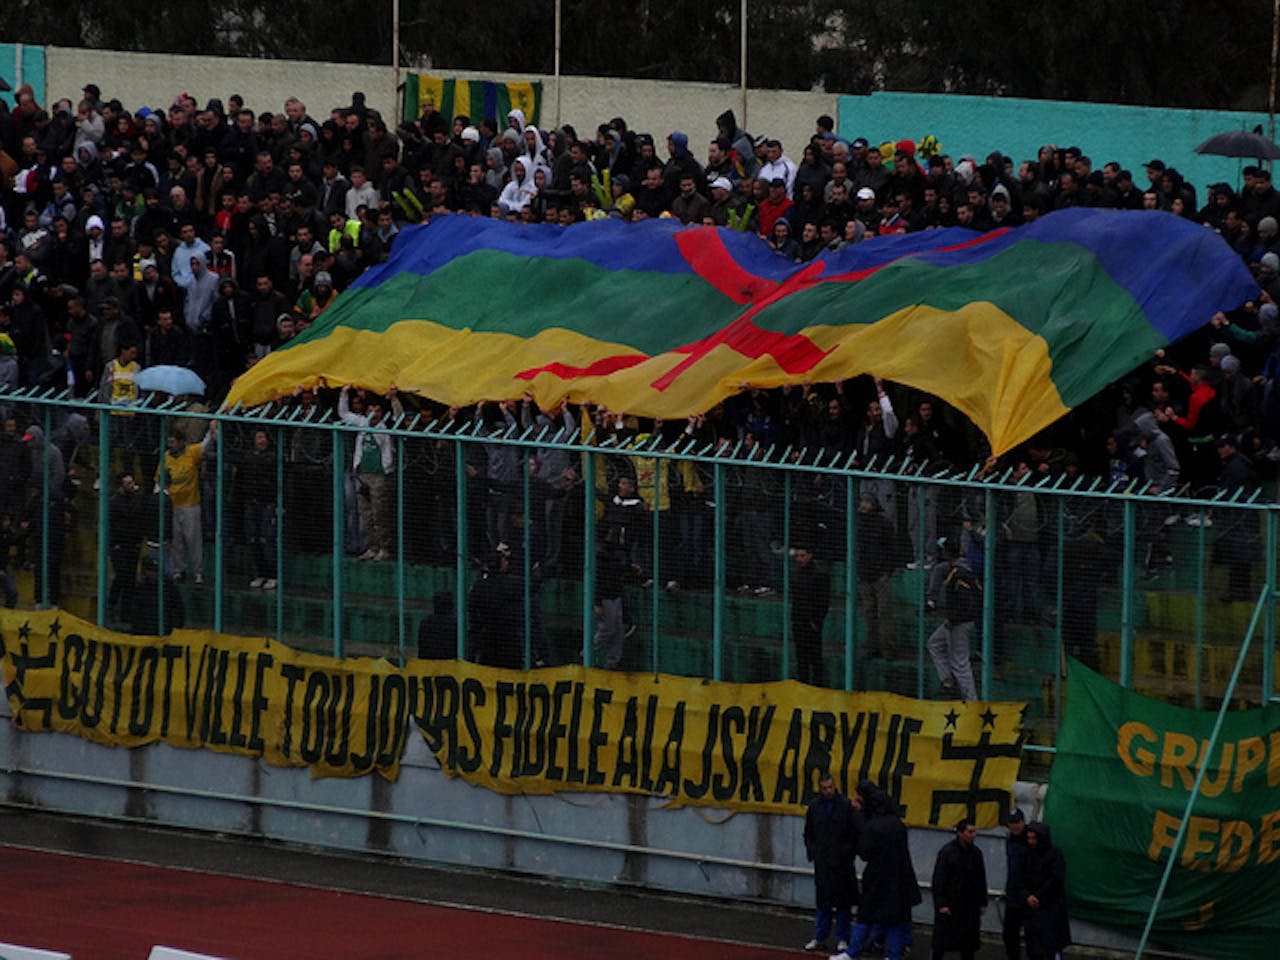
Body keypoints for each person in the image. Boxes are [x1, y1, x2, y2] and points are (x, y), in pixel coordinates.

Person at [831, 780, 922, 960]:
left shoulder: (872, 826)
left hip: (876, 877)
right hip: (898, 877)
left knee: (865, 917)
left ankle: (852, 952)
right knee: (895, 921)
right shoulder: (898, 825)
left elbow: (864, 853)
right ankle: (893, 955)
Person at [803, 772, 860, 953]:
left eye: (831, 787)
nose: (828, 791)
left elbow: (853, 834)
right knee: (823, 902)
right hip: (823, 864)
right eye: (825, 788)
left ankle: (843, 937)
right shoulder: (814, 807)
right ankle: (820, 937)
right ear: (820, 789)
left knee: (843, 903)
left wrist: (846, 854)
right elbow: (809, 833)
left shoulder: (845, 806)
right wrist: (815, 853)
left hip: (842, 864)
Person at [156, 421, 216, 584]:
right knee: (176, 540)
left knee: (193, 539)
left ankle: (198, 571)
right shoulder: (166, 458)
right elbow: (159, 481)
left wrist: (211, 430)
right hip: (173, 505)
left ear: (181, 441)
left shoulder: (191, 452)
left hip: (190, 504)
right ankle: (178, 570)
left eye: (173, 441)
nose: (170, 445)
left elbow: (204, 445)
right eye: (169, 442)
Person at [927, 536, 981, 700]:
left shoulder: (959, 573)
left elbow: (966, 602)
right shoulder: (956, 569)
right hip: (957, 621)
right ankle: (948, 681)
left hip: (960, 622)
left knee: (960, 663)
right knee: (934, 644)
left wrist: (953, 619)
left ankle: (971, 701)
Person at [931, 818, 988, 960]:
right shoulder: (947, 852)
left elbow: (981, 879)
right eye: (970, 832)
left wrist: (982, 902)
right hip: (951, 904)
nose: (973, 835)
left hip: (969, 905)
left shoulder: (976, 853)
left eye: (974, 832)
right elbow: (939, 879)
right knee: (942, 943)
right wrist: (941, 903)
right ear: (960, 833)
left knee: (968, 944)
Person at [1023, 822, 1070, 960]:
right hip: (1033, 909)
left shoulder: (1054, 853)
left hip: (1051, 908)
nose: (1031, 842)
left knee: (1051, 948)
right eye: (1029, 838)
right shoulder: (1026, 853)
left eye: (1034, 838)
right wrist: (1027, 896)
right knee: (1034, 948)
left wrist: (1038, 897)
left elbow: (1056, 879)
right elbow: (1021, 878)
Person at [791, 543, 831, 686]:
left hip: (811, 622)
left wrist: (816, 620)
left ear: (810, 555)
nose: (799, 559)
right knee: (801, 657)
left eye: (802, 556)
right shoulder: (797, 574)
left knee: (814, 657)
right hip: (798, 620)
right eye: (797, 556)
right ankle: (804, 684)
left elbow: (823, 601)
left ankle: (817, 685)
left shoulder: (819, 575)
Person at [1002, 808, 1031, 960]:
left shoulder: (1031, 840)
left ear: (1023, 822)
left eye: (1017, 822)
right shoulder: (1009, 840)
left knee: (1033, 937)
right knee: (1009, 935)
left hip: (1029, 896)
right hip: (1013, 895)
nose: (1014, 826)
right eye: (1011, 823)